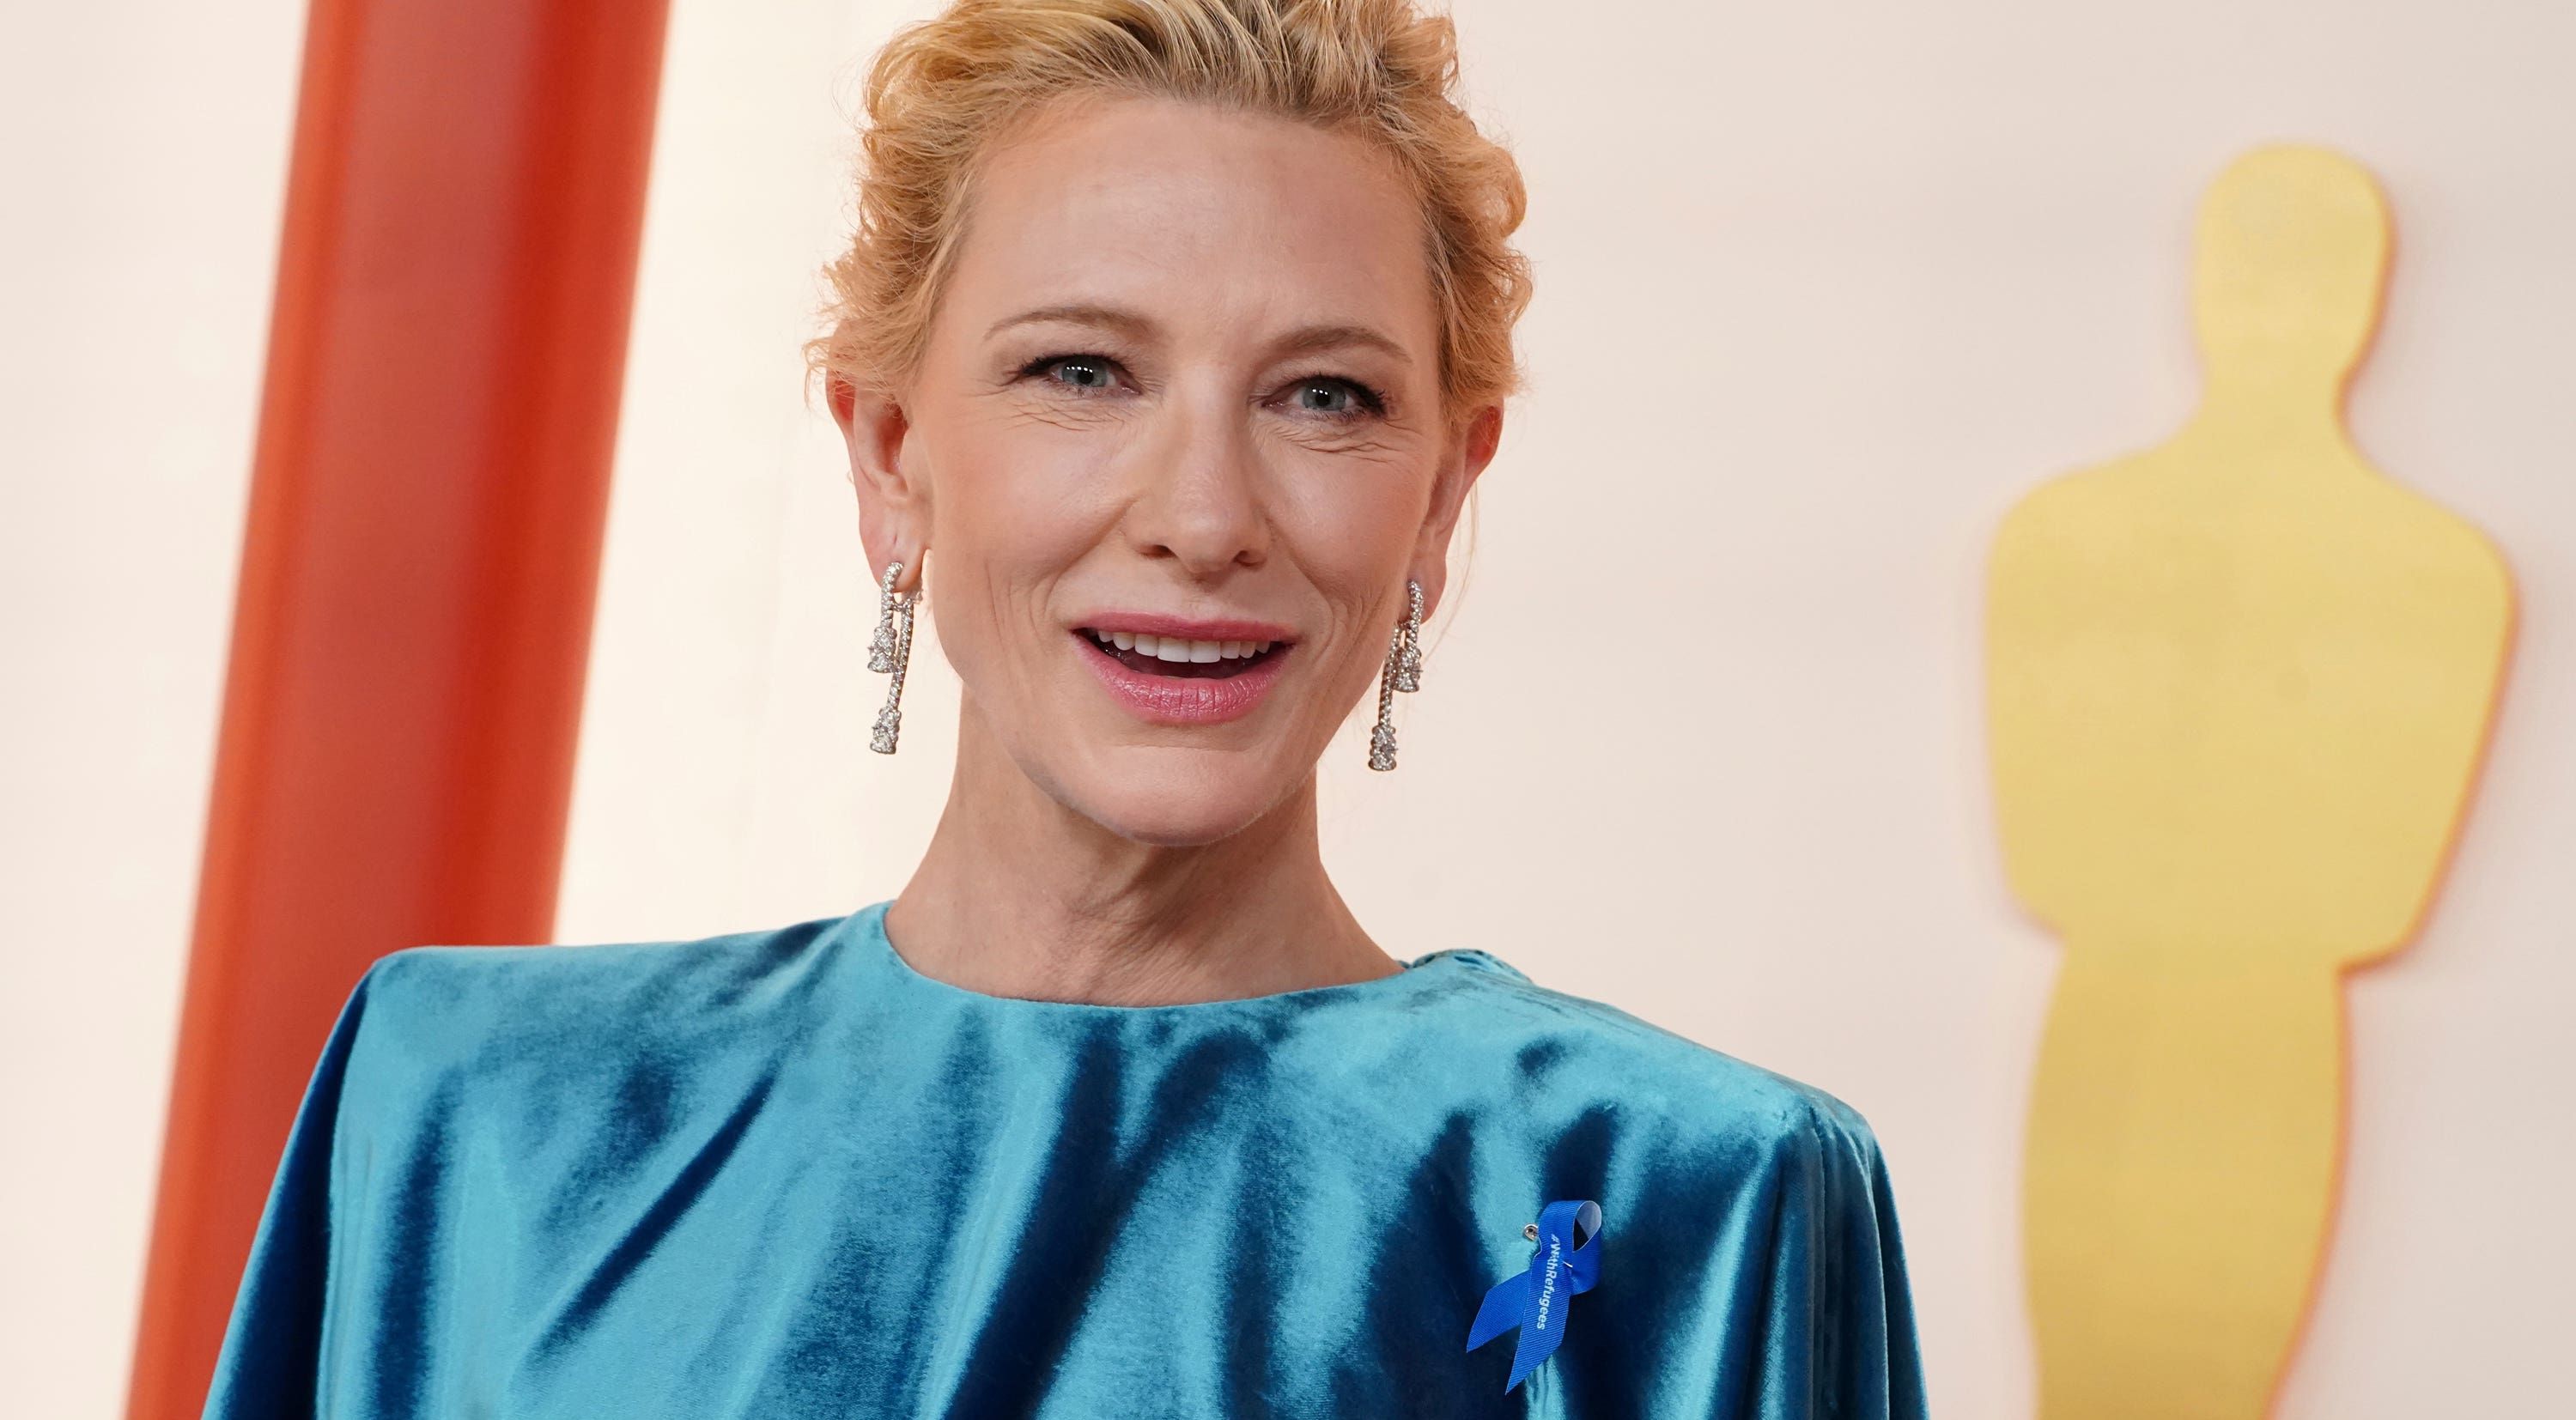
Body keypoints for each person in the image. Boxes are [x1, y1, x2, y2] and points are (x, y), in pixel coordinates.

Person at [204, 2, 1928, 1415]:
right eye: (1082, 371)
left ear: (1442, 495)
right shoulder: (479, 1116)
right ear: (890, 456)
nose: (1204, 514)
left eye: (1326, 396)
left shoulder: (1694, 1202)